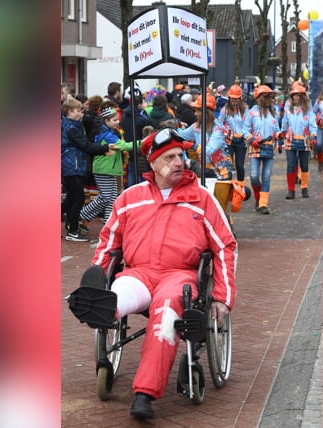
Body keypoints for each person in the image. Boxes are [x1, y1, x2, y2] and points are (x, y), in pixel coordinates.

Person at [86, 127, 237, 419]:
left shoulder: (202, 198)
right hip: (138, 273)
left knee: (166, 314)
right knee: (117, 295)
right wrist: (100, 272)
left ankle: (144, 393)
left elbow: (224, 247)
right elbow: (108, 243)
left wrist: (222, 296)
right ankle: (99, 303)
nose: (179, 162)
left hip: (179, 277)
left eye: (181, 155)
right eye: (170, 157)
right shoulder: (131, 198)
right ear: (153, 163)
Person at [61, 99, 115, 241]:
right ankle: (72, 230)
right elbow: (85, 145)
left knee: (71, 198)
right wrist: (104, 148)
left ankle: (67, 224)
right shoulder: (71, 128)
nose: (81, 113)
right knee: (78, 198)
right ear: (69, 112)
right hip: (72, 165)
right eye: (78, 111)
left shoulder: (74, 125)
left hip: (74, 164)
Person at [78, 102, 135, 231]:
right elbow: (124, 146)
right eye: (114, 120)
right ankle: (82, 215)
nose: (117, 122)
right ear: (106, 120)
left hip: (110, 168)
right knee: (105, 197)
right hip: (104, 168)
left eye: (117, 120)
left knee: (112, 198)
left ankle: (109, 223)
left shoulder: (110, 132)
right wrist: (142, 142)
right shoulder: (107, 134)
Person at [243, 84, 280, 214]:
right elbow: (245, 129)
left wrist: (279, 134)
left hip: (269, 148)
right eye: (269, 97)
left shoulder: (273, 112)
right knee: (253, 176)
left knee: (266, 176)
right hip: (255, 147)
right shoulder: (252, 112)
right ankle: (258, 199)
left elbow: (277, 129)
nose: (272, 100)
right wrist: (250, 139)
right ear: (262, 98)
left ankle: (263, 204)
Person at [177, 93, 232, 180]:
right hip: (203, 169)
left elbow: (210, 150)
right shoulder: (196, 126)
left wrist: (192, 146)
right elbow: (181, 135)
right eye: (195, 110)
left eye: (198, 111)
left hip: (221, 170)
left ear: (206, 112)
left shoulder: (218, 128)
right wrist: (172, 126)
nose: (195, 114)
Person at [280, 83, 317, 199]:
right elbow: (285, 123)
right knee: (291, 165)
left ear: (302, 97)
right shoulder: (288, 109)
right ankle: (291, 190)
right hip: (291, 140)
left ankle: (304, 187)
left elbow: (312, 123)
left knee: (304, 165)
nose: (295, 97)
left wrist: (313, 135)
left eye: (298, 95)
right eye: (294, 95)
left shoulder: (308, 110)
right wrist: (282, 133)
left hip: (305, 141)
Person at [218, 83, 248, 181]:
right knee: (228, 164)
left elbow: (249, 124)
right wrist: (225, 131)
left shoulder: (246, 109)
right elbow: (219, 124)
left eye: (236, 98)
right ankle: (228, 185)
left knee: (239, 165)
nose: (234, 101)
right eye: (232, 98)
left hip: (241, 140)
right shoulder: (225, 110)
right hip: (229, 141)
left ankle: (241, 186)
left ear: (240, 98)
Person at [121, 93, 149, 186]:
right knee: (141, 171)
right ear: (138, 105)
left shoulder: (125, 116)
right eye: (143, 103)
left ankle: (130, 189)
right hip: (138, 146)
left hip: (128, 145)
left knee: (131, 170)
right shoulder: (141, 119)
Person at [313, 89, 323, 172]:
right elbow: (313, 111)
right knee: (319, 145)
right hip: (320, 126)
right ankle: (320, 162)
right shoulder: (319, 100)